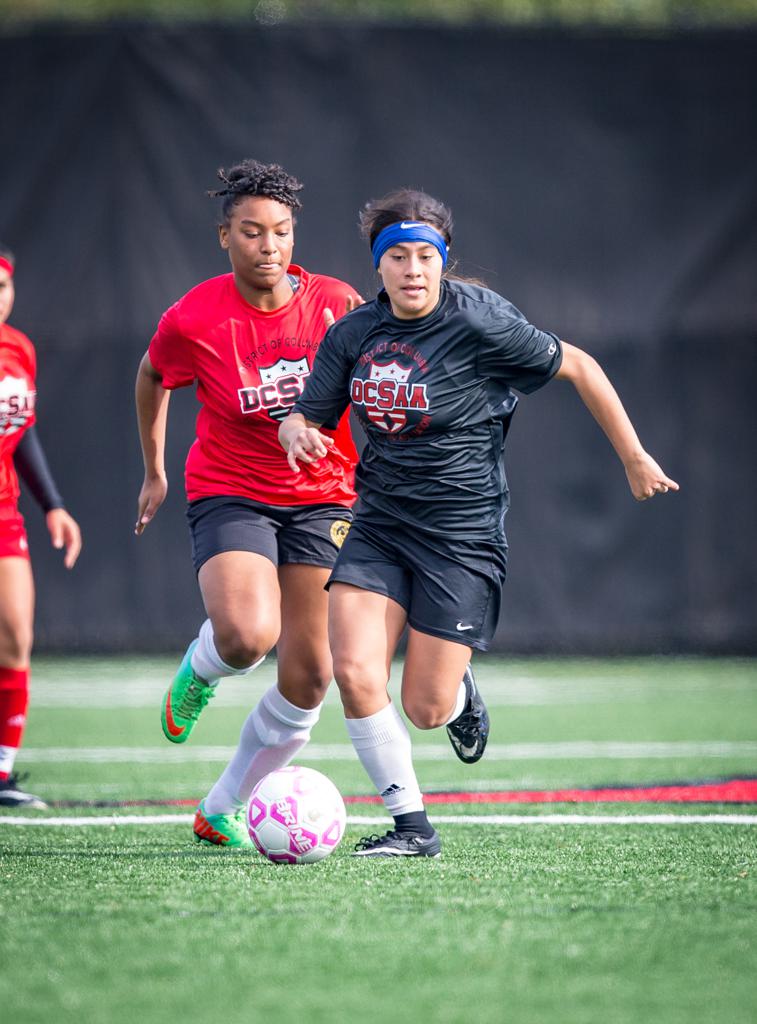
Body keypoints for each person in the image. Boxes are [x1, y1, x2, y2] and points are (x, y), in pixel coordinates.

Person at [279, 189, 679, 858]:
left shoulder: (479, 321)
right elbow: (306, 412)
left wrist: (634, 457)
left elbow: (577, 364)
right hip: (377, 521)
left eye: (425, 256)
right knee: (351, 669)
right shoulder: (353, 332)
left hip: (460, 536)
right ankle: (412, 828)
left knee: (425, 709)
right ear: (377, 267)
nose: (412, 269)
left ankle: (457, 691)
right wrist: (294, 429)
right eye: (397, 257)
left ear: (442, 261)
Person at [135, 159, 362, 848]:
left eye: (282, 232)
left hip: (324, 496)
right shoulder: (195, 316)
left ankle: (223, 804)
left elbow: (377, 375)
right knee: (245, 637)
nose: (270, 246)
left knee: (311, 673)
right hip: (231, 488)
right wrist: (154, 470)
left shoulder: (334, 302)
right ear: (224, 237)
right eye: (253, 232)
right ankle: (202, 666)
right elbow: (152, 375)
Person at [0, 245, 82, 809]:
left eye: (1, 285)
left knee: (15, 636)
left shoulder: (18, 350)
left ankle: (1, 773)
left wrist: (52, 503)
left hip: (6, 513)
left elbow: (21, 429)